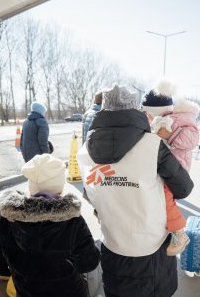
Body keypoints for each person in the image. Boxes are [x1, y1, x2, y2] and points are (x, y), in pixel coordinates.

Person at [77, 84, 193, 297]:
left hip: (112, 245)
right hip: (152, 249)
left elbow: (90, 194)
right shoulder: (152, 145)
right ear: (135, 110)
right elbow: (184, 188)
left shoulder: (84, 150)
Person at [0, 154, 100, 296]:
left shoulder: (8, 217)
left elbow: (0, 253)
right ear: (59, 185)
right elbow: (89, 262)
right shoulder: (71, 220)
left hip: (26, 290)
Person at [141, 79, 199, 255]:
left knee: (166, 198)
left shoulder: (180, 119)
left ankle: (179, 232)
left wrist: (170, 135)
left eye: (148, 113)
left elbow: (192, 140)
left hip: (176, 166)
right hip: (162, 166)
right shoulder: (160, 120)